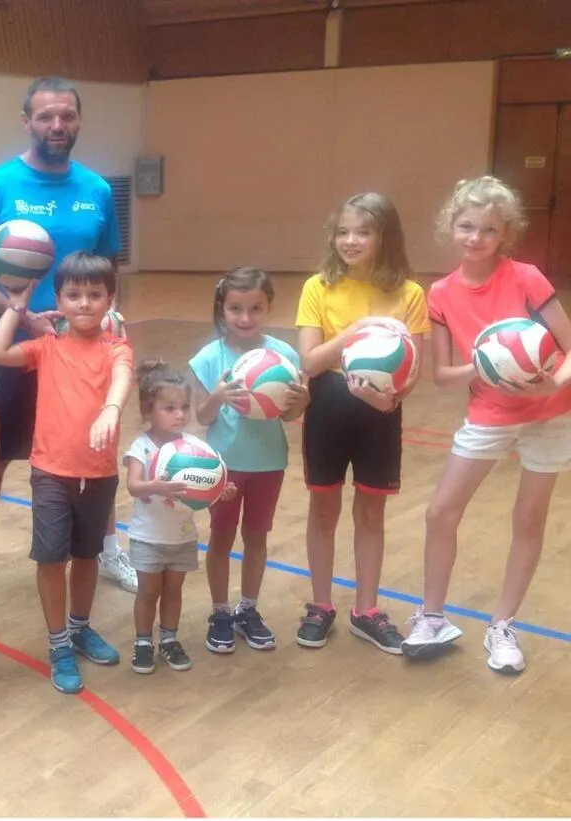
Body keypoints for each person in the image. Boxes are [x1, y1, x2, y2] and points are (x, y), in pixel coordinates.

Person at [0, 75, 136, 608]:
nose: (58, 125)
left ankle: (104, 548)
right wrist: (26, 318)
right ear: (27, 120)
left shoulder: (97, 191)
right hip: (17, 349)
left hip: (84, 355)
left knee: (92, 453)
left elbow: (109, 270)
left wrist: (112, 319)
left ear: (78, 120)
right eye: (47, 116)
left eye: (68, 116)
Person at [401, 176, 571, 674]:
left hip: (550, 413)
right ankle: (432, 617)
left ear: (505, 234)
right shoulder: (441, 293)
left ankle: (503, 625)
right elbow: (442, 376)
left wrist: (550, 386)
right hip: (489, 412)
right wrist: (490, 365)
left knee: (528, 518)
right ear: (451, 228)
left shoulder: (527, 279)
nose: (475, 237)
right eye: (466, 226)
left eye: (488, 229)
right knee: (440, 513)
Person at [0, 252, 132, 694]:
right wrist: (17, 306)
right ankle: (58, 643)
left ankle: (81, 627)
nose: (84, 303)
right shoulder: (46, 348)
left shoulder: (117, 348)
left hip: (99, 472)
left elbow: (123, 379)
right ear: (59, 300)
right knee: (51, 559)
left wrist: (111, 407)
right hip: (50, 471)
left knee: (86, 557)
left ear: (110, 299)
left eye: (94, 295)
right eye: (73, 295)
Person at [295, 193, 430, 653]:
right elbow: (310, 362)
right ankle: (320, 605)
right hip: (327, 406)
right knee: (323, 509)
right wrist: (357, 332)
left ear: (384, 237)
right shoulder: (318, 286)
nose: (350, 240)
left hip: (380, 413)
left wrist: (391, 402)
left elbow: (411, 370)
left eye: (363, 231)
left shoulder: (410, 294)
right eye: (343, 232)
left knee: (372, 512)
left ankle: (366, 610)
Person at [190, 267, 308, 654]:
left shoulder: (284, 356)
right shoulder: (210, 357)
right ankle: (220, 612)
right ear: (222, 308)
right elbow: (203, 418)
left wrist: (302, 400)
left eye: (255, 308)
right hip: (224, 467)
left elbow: (289, 415)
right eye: (236, 308)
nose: (244, 318)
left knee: (257, 537)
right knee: (221, 538)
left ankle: (249, 609)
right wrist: (217, 396)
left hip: (268, 463)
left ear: (269, 308)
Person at [124, 361, 237, 674]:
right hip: (148, 536)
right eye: (169, 407)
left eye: (184, 407)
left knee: (173, 591)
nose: (180, 415)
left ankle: (170, 641)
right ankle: (143, 642)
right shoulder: (141, 448)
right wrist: (156, 486)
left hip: (182, 536)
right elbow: (133, 486)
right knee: (149, 592)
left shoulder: (194, 449)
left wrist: (218, 491)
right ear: (149, 409)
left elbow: (206, 484)